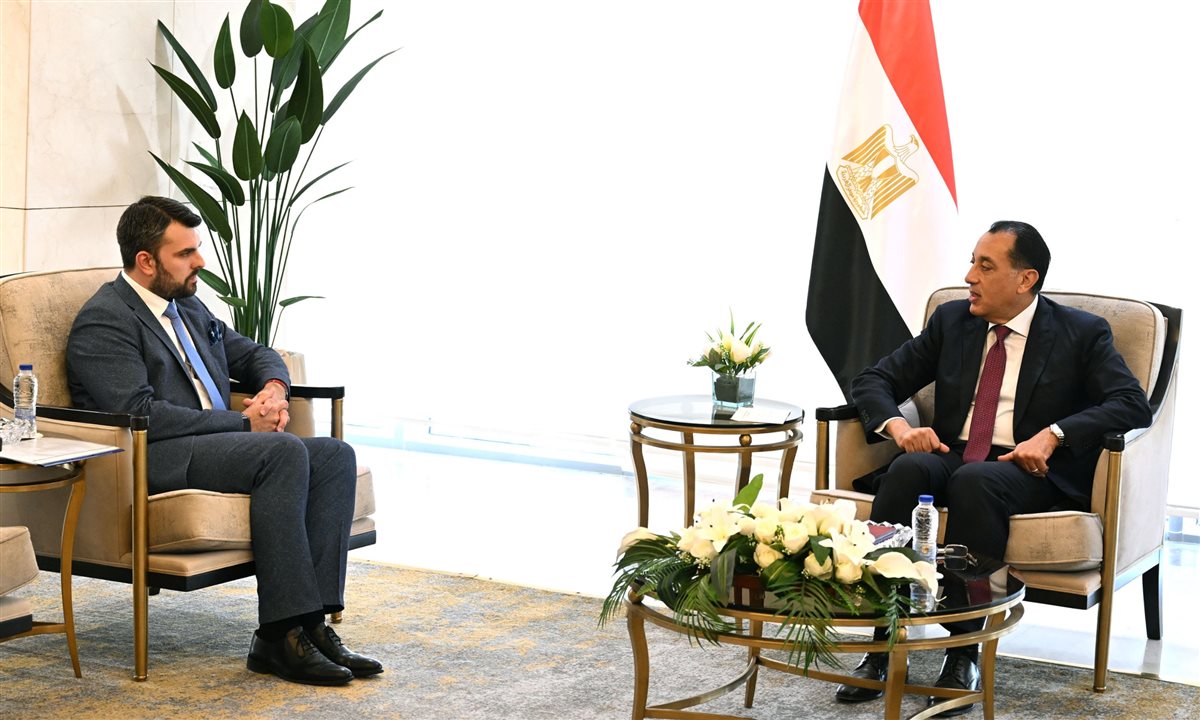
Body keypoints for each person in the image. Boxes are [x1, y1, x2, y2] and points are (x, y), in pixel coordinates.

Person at [834, 221, 1151, 716]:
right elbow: (874, 378)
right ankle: (882, 641)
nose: (970, 277)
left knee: (975, 481)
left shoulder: (1080, 332)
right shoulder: (953, 320)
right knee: (908, 470)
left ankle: (963, 653)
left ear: (1026, 279)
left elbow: (1132, 404)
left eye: (985, 266)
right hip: (956, 451)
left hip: (1026, 469)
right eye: (972, 263)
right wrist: (898, 428)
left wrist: (1054, 434)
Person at [67, 196, 383, 686]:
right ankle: (278, 636)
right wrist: (242, 424)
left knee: (333, 455)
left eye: (196, 249)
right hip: (155, 454)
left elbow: (254, 354)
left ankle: (313, 625)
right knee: (282, 451)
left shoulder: (186, 304)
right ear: (146, 261)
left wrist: (274, 389)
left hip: (215, 445)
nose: (199, 261)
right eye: (185, 253)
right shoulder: (106, 319)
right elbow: (141, 414)